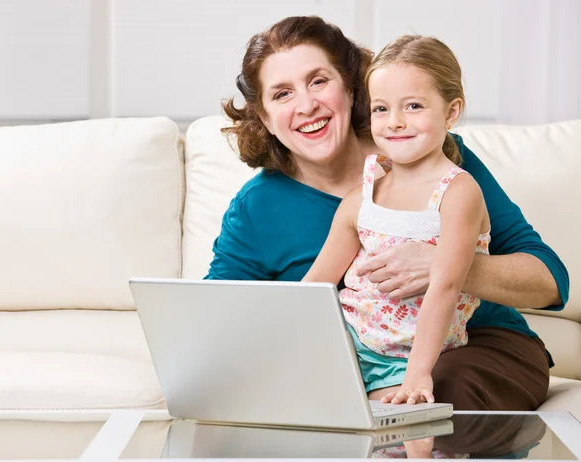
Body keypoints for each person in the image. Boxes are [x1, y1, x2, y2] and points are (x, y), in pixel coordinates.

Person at [206, 16, 569, 411]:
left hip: (479, 346)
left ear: (350, 88)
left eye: (318, 81)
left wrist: (444, 265)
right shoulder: (256, 208)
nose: (306, 105)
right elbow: (215, 318)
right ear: (264, 117)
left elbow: (551, 280)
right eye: (282, 94)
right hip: (363, 358)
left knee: (431, 397)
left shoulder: (436, 157)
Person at [302, 34, 491, 405]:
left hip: (405, 360)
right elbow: (314, 285)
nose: (395, 122)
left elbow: (446, 286)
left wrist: (418, 374)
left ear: (451, 112)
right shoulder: (364, 194)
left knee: (392, 432)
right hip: (345, 342)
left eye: (414, 106)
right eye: (381, 109)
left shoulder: (458, 192)